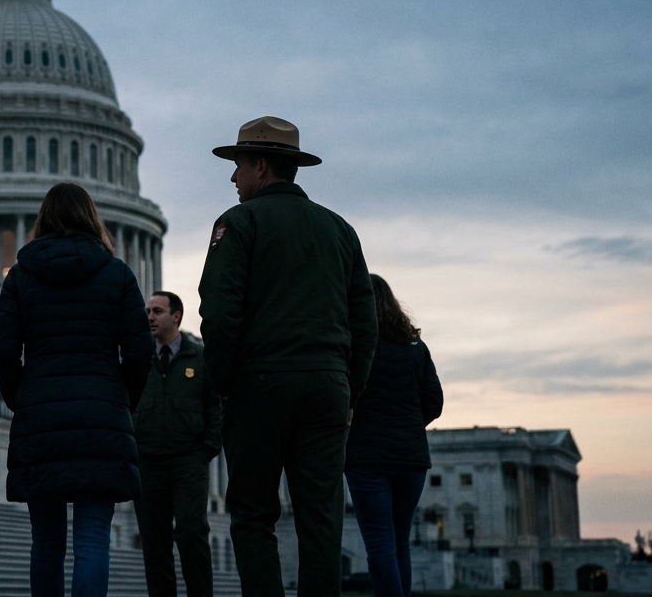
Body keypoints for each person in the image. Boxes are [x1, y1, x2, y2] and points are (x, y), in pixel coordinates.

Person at [198, 116, 378, 596]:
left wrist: (222, 383)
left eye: (237, 165)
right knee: (322, 518)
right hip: (327, 387)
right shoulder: (340, 229)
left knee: (254, 513)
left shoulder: (238, 223)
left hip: (259, 385)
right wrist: (351, 390)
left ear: (260, 166)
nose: (232, 177)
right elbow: (365, 320)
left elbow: (218, 313)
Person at [0, 182, 154, 597]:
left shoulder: (21, 277)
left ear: (43, 220)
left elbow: (2, 351)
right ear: (92, 218)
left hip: (41, 415)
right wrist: (121, 399)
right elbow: (139, 352)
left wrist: (22, 397)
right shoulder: (117, 274)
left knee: (46, 543)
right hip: (101, 414)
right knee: (92, 538)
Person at [344, 274, 443, 597]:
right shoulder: (416, 348)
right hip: (411, 456)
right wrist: (410, 425)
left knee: (379, 542)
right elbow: (435, 403)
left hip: (366, 456)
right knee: (400, 540)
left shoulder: (354, 346)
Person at [132, 290, 222, 597]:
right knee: (154, 543)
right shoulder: (139, 357)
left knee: (191, 534)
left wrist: (206, 449)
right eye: (147, 311)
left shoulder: (199, 358)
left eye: (157, 311)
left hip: (187, 463)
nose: (150, 317)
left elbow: (215, 408)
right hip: (148, 463)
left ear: (176, 316)